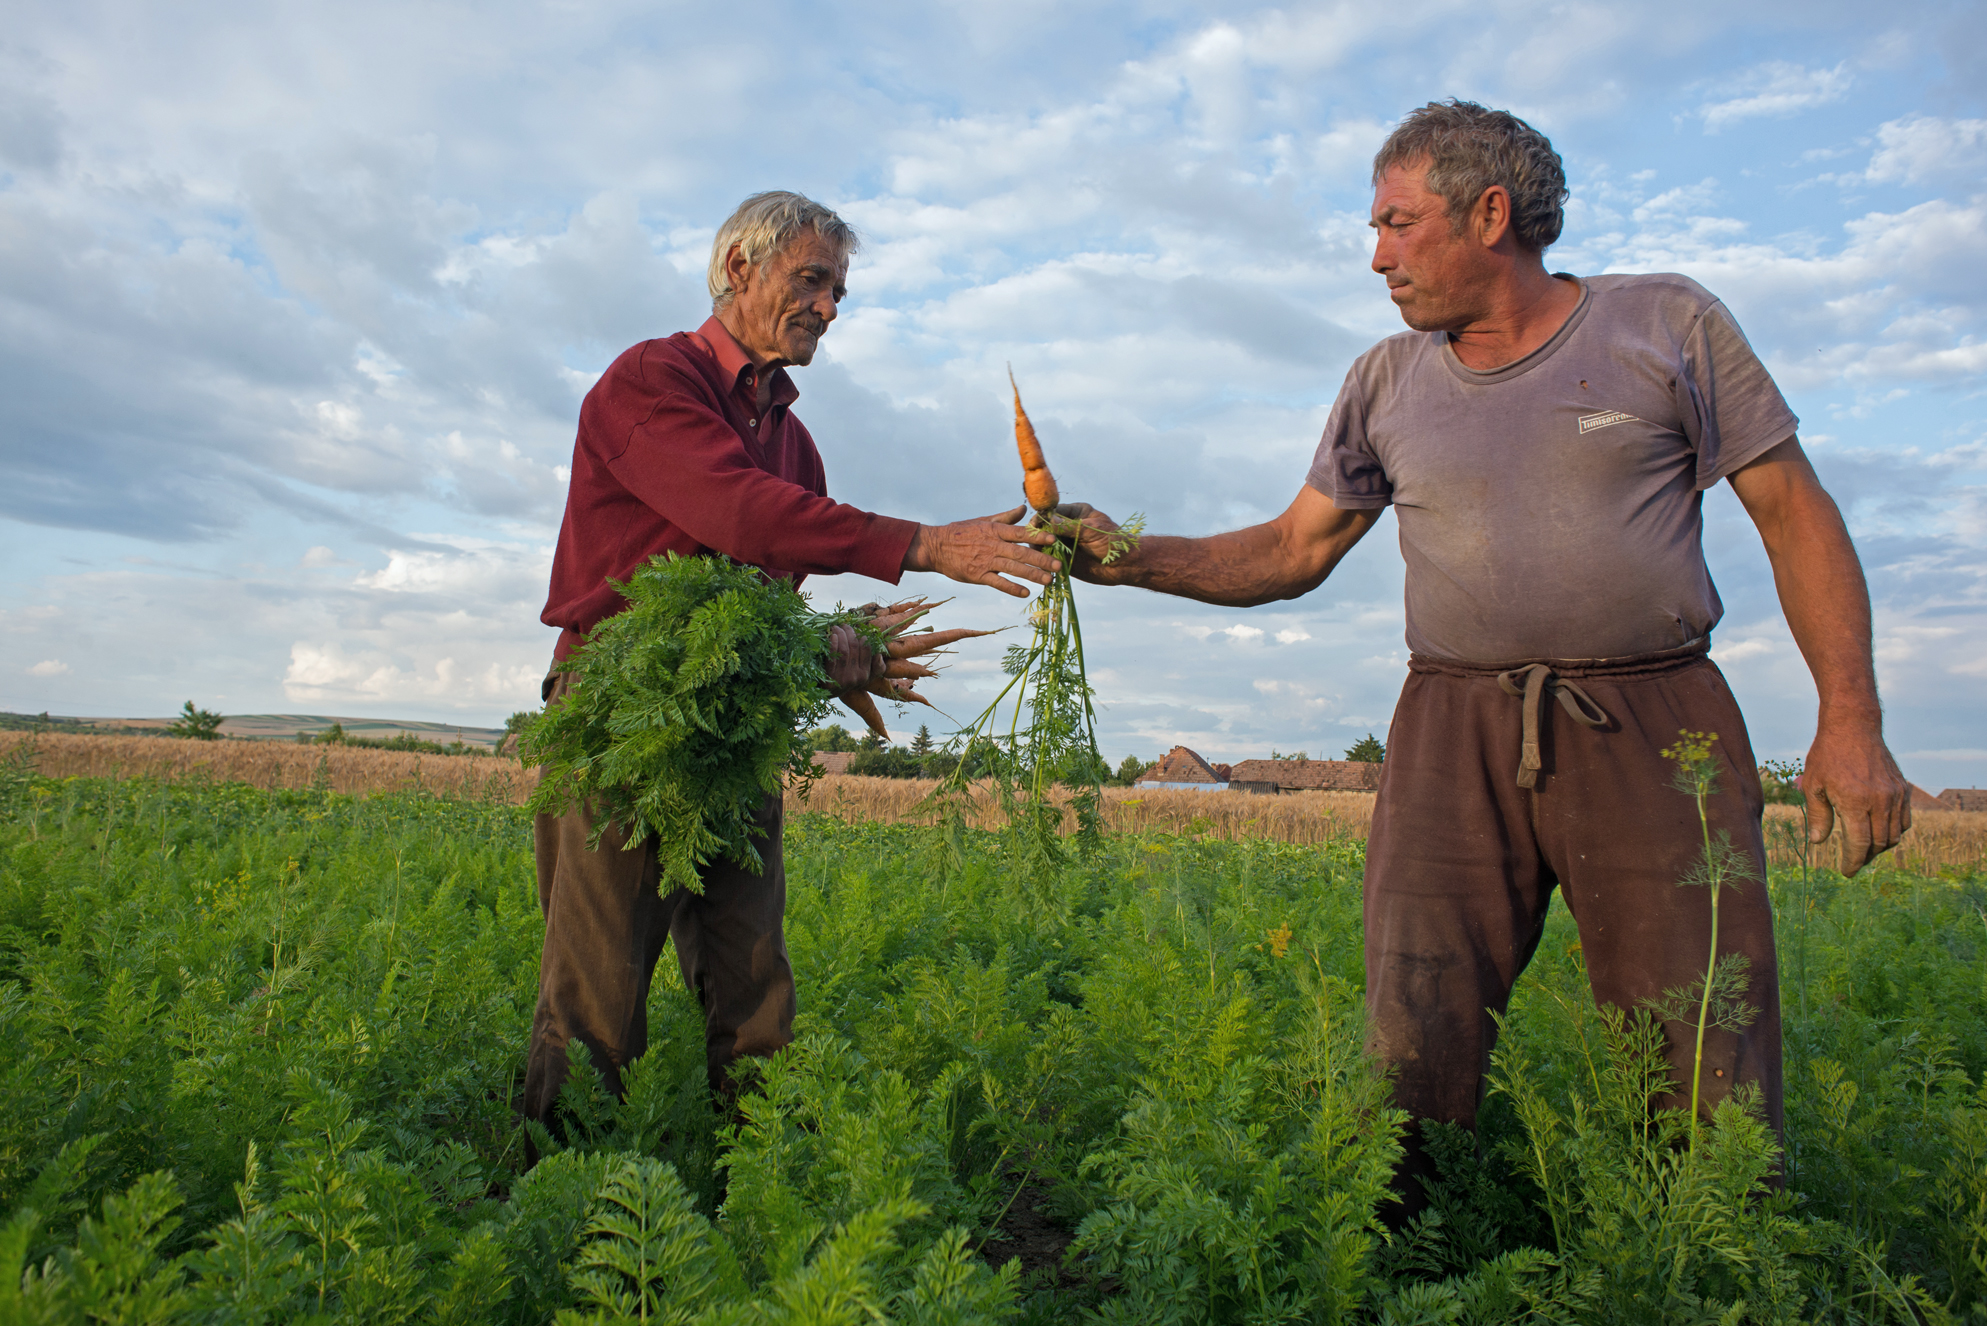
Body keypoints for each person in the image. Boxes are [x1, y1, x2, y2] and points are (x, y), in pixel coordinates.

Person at [1055, 100, 1910, 1213]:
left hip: (1656, 727)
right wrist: (1125, 556)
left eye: (1397, 223)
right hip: (1450, 731)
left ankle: (1705, 1254)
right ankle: (1398, 1254)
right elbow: (1292, 546)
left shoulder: (1667, 325)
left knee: (1700, 1030)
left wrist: (1849, 720)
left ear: (1489, 213)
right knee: (1416, 1024)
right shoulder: (1385, 381)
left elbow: (1795, 514)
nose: (1377, 257)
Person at [525, 190, 1060, 1127]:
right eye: (809, 280)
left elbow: (764, 603)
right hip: (620, 707)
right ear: (739, 268)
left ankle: (764, 1194)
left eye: (839, 292)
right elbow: (735, 511)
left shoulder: (794, 441)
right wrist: (924, 544)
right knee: (597, 997)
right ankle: (552, 1211)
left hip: (734, 722)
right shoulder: (650, 382)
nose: (827, 307)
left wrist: (829, 651)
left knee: (752, 986)